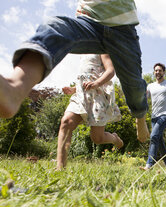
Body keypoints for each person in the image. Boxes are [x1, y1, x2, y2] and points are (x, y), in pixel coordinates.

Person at [0, 0, 149, 143]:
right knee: (54, 26)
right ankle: (16, 87)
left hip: (123, 30)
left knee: (133, 84)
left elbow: (110, 71)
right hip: (89, 23)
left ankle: (140, 115)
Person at [56, 54, 123, 170]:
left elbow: (110, 71)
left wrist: (97, 83)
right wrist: (74, 89)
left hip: (98, 95)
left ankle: (114, 138)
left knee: (97, 138)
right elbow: (86, 77)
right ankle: (60, 167)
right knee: (66, 122)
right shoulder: (82, 52)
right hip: (81, 95)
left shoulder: (101, 49)